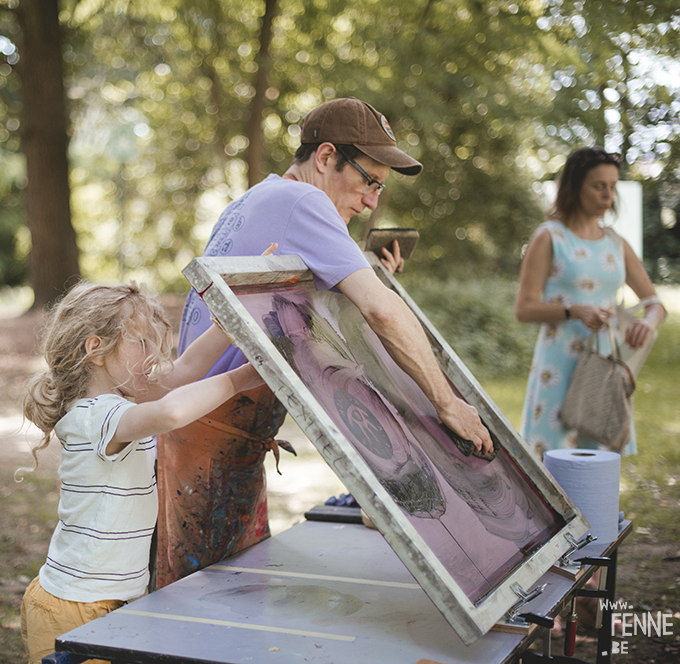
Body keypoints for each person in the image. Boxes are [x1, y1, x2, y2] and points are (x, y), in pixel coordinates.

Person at [153, 97, 493, 588]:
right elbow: (380, 311)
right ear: (326, 157)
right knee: (201, 606)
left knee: (223, 594)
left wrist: (373, 273)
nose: (373, 200)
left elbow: (322, 309)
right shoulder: (306, 202)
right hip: (209, 437)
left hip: (206, 427)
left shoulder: (257, 198)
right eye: (370, 181)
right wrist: (447, 401)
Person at [19, 281, 264, 664]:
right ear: (95, 349)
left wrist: (227, 324)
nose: (155, 356)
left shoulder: (120, 398)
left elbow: (184, 372)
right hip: (73, 606)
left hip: (113, 601)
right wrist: (241, 379)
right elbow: (171, 412)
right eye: (141, 344)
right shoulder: (95, 416)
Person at [515, 147, 666, 457]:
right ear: (574, 187)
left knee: (599, 465)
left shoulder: (615, 242)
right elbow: (524, 308)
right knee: (553, 462)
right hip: (558, 365)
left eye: (612, 187)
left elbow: (655, 303)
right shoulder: (550, 237)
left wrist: (647, 322)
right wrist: (573, 311)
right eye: (599, 186)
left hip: (604, 365)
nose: (608, 195)